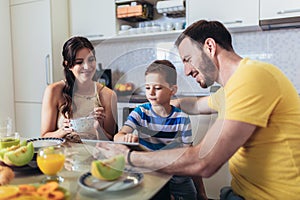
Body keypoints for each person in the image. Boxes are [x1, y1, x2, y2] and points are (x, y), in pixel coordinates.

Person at [95, 20, 300, 200]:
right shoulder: (229, 90)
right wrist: (168, 103)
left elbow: (204, 162)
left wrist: (129, 158)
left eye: (187, 59)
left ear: (209, 46)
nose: (186, 70)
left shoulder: (252, 77)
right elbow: (194, 104)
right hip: (241, 191)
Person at [114, 60, 207, 200]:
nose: (151, 92)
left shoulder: (182, 119)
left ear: (172, 90)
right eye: (147, 87)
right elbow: (118, 136)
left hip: (176, 174)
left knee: (191, 195)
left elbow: (189, 156)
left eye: (157, 88)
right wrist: (125, 138)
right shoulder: (140, 112)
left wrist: (202, 193)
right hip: (148, 170)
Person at [41, 36, 117, 141]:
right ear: (68, 65)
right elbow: (44, 136)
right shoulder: (54, 91)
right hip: (62, 155)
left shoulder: (108, 95)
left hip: (94, 154)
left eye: (91, 60)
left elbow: (111, 141)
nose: (87, 66)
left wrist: (98, 129)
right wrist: (62, 131)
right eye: (79, 62)